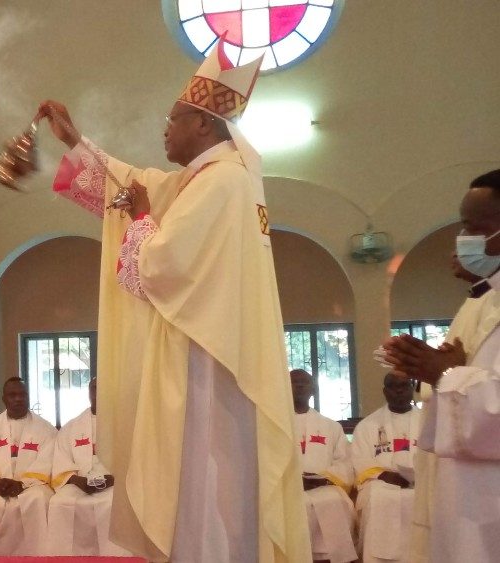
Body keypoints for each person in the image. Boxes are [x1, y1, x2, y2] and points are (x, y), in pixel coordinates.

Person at [35, 41, 309, 562]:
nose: (165, 128)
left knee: (206, 493)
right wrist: (75, 143)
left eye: (173, 118)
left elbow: (158, 266)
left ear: (204, 124)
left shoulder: (220, 182)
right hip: (212, 359)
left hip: (210, 370)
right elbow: (136, 183)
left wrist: (140, 222)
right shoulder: (210, 178)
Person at [383, 168, 500, 562]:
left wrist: (444, 373)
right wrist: (433, 366)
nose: (462, 240)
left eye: (474, 226)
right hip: (470, 485)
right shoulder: (490, 296)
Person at [45, 377, 131, 556]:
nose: (98, 393)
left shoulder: (124, 424)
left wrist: (113, 478)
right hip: (80, 482)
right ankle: (65, 558)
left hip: (113, 483)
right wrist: (79, 481)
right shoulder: (71, 427)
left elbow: (131, 458)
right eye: (94, 388)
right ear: (89, 392)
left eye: (102, 388)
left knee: (111, 504)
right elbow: (61, 461)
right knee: (60, 502)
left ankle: (114, 558)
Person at [0, 377, 56, 555]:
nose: (18, 399)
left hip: (32, 486)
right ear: (3, 399)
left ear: (28, 397)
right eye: (12, 395)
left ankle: (37, 556)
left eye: (22, 395)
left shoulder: (46, 429)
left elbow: (48, 460)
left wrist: (22, 483)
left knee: (37, 499)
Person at [351, 374, 420, 563]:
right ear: (384, 391)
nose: (399, 390)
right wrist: (383, 475)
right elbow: (359, 459)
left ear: (412, 388)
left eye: (404, 385)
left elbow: (437, 456)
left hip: (421, 483)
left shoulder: (428, 421)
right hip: (380, 483)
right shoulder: (367, 426)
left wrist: (420, 475)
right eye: (393, 386)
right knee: (377, 497)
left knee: (425, 498)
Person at [290, 369, 357, 563]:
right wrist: (294, 479)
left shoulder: (330, 426)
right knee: (297, 505)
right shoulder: (276, 425)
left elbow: (344, 461)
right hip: (288, 488)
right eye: (294, 382)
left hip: (325, 485)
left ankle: (333, 558)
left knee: (337, 502)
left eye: (305, 382)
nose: (300, 386)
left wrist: (325, 478)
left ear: (313, 389)